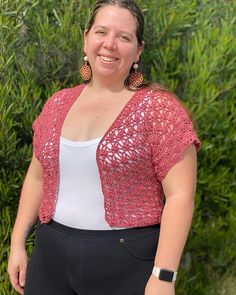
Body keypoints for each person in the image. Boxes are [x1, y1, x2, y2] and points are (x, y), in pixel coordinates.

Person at [7, 0, 200, 294]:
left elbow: (180, 195)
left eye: (124, 37)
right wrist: (18, 242)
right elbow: (37, 175)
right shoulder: (57, 104)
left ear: (138, 51)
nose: (110, 44)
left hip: (124, 262)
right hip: (50, 257)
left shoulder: (158, 109)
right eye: (101, 32)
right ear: (86, 39)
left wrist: (164, 276)